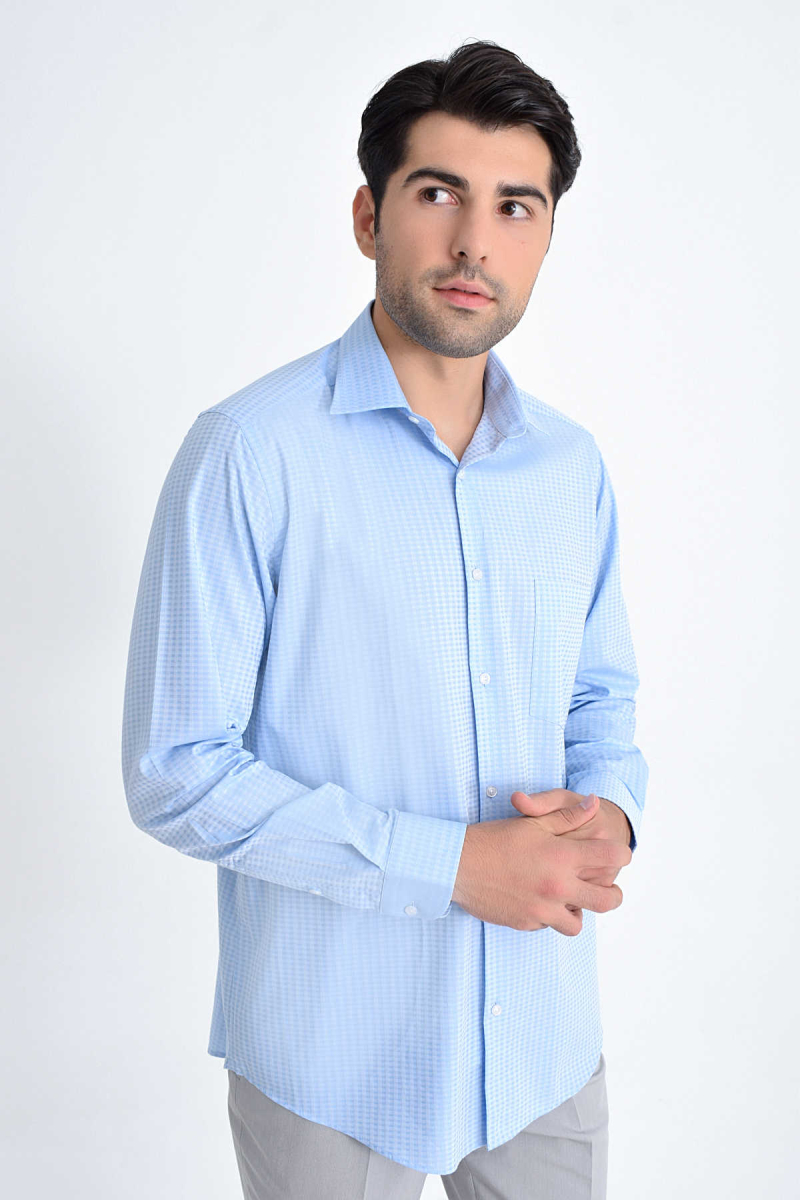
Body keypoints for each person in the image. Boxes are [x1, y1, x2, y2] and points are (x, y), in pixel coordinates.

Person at [121, 37, 647, 1200]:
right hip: (332, 1063)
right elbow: (175, 769)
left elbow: (598, 695)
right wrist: (449, 864)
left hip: (540, 1041)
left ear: (544, 239)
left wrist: (609, 807)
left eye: (513, 206)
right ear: (368, 217)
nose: (473, 243)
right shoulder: (249, 453)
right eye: (437, 194)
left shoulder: (569, 467)